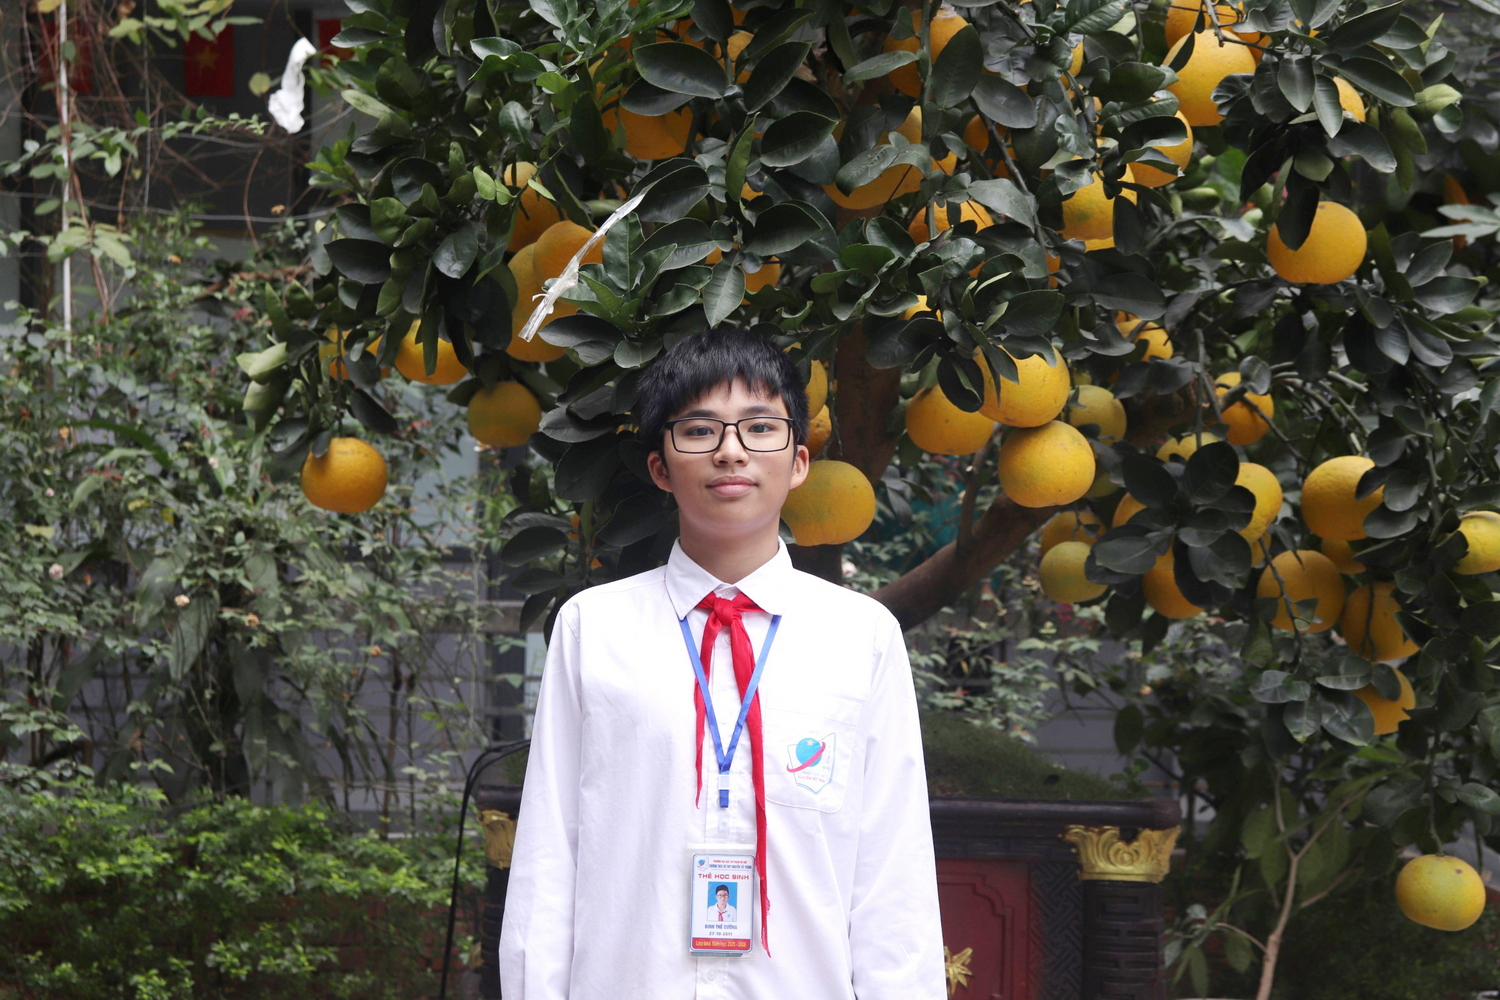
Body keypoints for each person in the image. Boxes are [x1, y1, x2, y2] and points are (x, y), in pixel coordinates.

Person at [499, 328, 945, 999]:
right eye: (700, 430)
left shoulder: (862, 638)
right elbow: (548, 854)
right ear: (660, 467)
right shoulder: (594, 629)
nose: (731, 451)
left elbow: (893, 875)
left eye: (760, 427)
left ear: (799, 461)